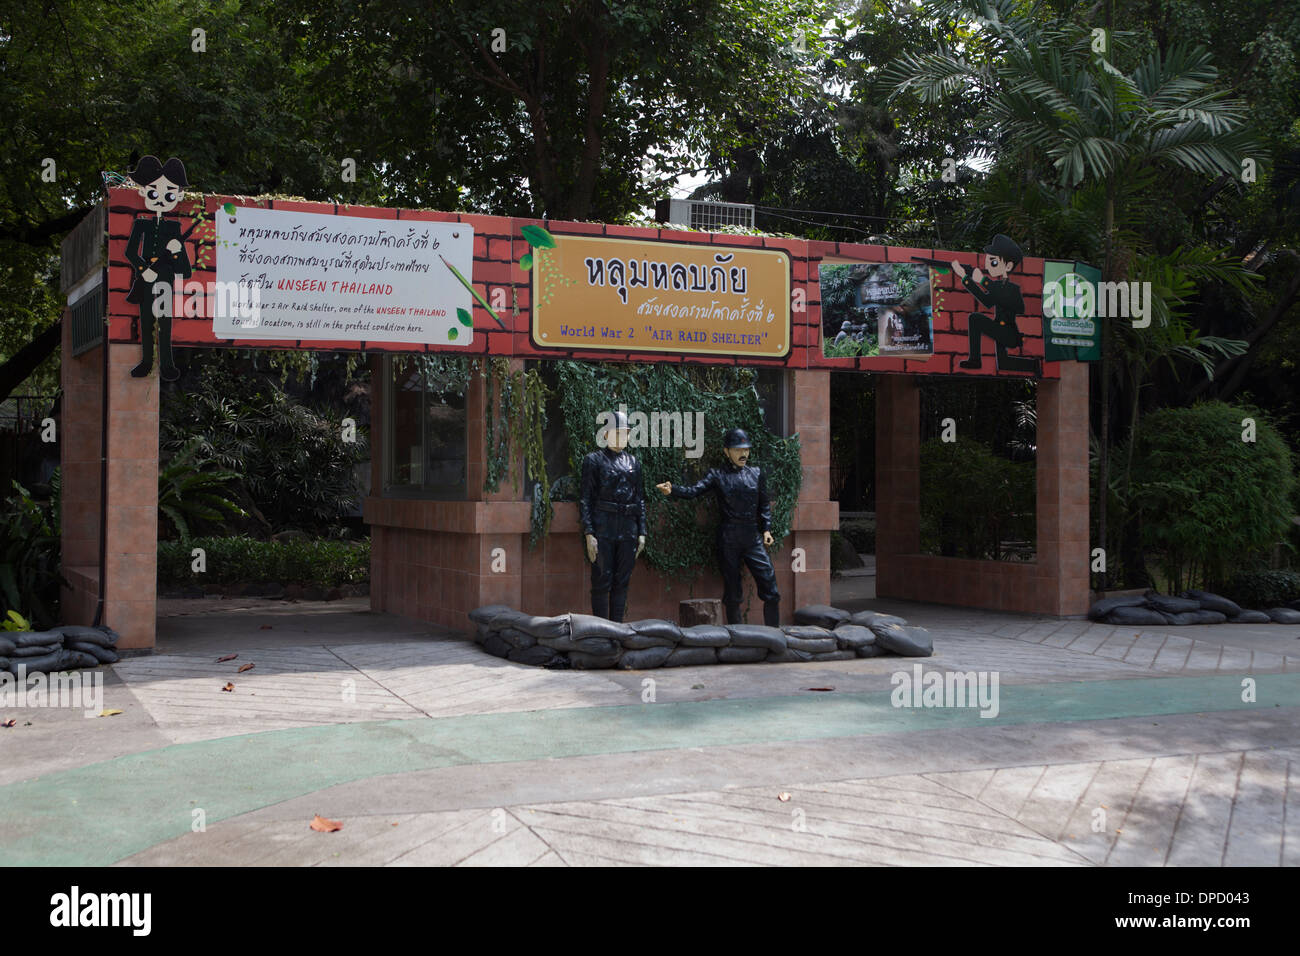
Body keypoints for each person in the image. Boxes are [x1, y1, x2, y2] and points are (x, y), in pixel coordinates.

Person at [656, 427, 781, 627]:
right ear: (726, 452)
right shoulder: (717, 474)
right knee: (733, 591)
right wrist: (673, 490)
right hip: (729, 537)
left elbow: (764, 504)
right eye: (738, 450)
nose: (744, 453)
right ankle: (737, 635)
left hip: (752, 536)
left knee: (771, 587)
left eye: (746, 449)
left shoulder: (756, 474)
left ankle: (774, 634)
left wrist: (766, 529)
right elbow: (693, 491)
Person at [125, 155, 192, 381]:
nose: (162, 199)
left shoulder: (174, 227)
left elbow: (183, 266)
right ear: (144, 192)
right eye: (154, 192)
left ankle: (167, 364)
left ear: (179, 195)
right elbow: (130, 252)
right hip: (146, 279)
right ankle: (145, 362)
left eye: (169, 193)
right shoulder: (142, 223)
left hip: (165, 280)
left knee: (164, 322)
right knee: (146, 321)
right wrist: (144, 269)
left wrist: (175, 250)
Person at [579, 411, 646, 622]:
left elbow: (640, 499)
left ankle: (617, 629)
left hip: (628, 529)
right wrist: (589, 532)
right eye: (617, 433)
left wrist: (642, 532)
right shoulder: (593, 460)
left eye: (625, 433)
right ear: (606, 435)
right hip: (603, 527)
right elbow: (585, 499)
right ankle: (600, 630)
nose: (622, 438)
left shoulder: (634, 463)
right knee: (601, 580)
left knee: (622, 581)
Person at [950, 233, 1038, 373]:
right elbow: (987, 301)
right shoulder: (997, 286)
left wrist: (983, 281)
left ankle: (975, 360)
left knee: (975, 319)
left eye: (994, 262)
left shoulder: (1012, 288)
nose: (988, 264)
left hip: (1008, 333)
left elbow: (1019, 307)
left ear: (1008, 266)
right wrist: (965, 278)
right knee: (1003, 364)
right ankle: (1033, 366)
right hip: (999, 329)